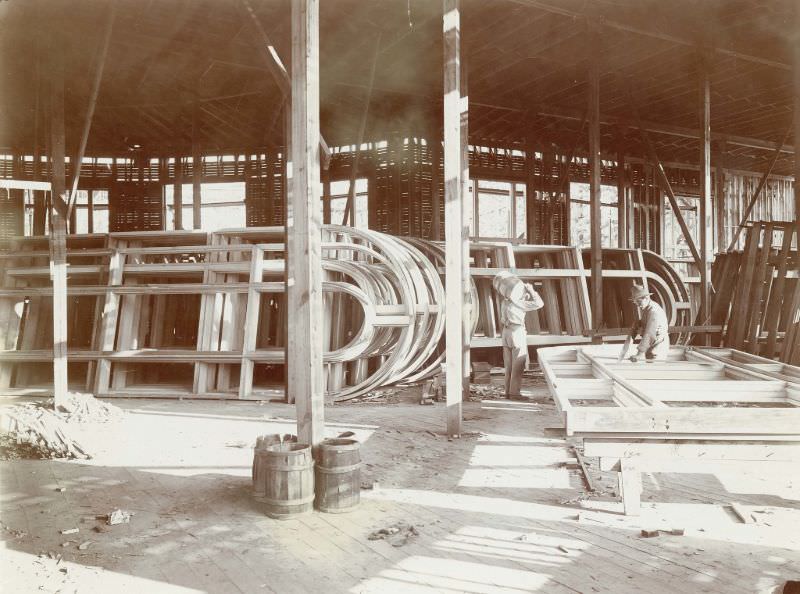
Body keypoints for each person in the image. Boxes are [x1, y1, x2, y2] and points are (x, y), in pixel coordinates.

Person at [493, 271, 544, 399]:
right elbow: (539, 303)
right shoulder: (519, 303)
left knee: (508, 366)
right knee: (519, 364)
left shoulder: (505, 302)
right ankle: (515, 394)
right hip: (516, 332)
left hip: (506, 333)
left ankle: (508, 393)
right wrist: (531, 290)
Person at [627, 284, 669, 362]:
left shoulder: (654, 311)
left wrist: (640, 353)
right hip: (652, 346)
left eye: (638, 302)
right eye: (635, 302)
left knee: (654, 371)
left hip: (658, 347)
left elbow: (650, 333)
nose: (637, 305)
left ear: (646, 298)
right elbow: (646, 323)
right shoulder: (647, 308)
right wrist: (637, 325)